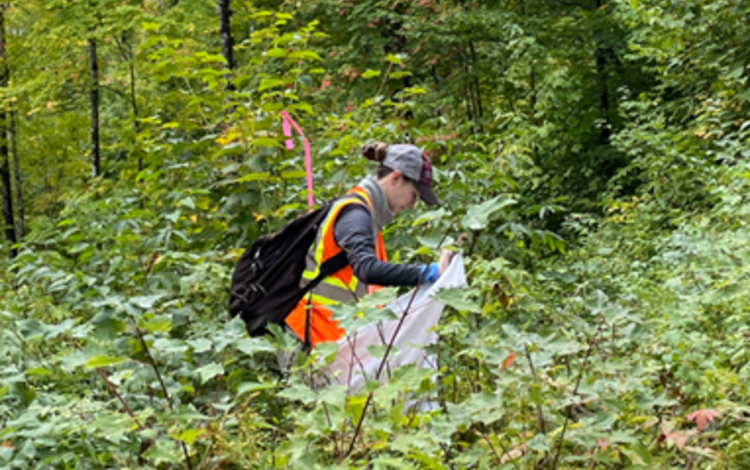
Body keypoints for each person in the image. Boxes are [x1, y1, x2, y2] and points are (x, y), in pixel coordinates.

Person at [284, 142, 451, 349]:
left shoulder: (367, 214)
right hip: (311, 337)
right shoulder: (355, 215)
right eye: (414, 195)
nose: (412, 205)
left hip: (330, 339)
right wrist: (430, 272)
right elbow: (367, 268)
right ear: (396, 178)